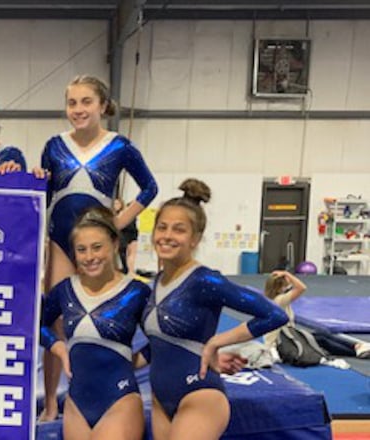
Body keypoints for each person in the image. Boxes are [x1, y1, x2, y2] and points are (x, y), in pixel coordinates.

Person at [37, 75, 157, 421]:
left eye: (86, 102)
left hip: (98, 242)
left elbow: (149, 187)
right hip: (61, 242)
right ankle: (49, 403)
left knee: (104, 316)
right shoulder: (54, 145)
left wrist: (118, 224)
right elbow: (42, 196)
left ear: (102, 105)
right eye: (72, 103)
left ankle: (107, 383)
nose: (78, 110)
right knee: (56, 320)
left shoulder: (119, 146)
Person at [142, 178, 288, 440]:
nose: (167, 236)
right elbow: (159, 346)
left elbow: (274, 314)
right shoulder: (154, 284)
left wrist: (215, 344)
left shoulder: (205, 280)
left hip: (199, 395)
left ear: (195, 238)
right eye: (162, 227)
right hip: (160, 398)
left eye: (179, 230)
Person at [41, 206, 147, 440]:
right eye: (82, 250)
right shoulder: (65, 290)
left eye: (97, 247)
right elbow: (39, 325)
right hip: (76, 406)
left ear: (114, 244)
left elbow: (164, 337)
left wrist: (135, 362)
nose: (90, 257)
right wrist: (57, 347)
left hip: (119, 401)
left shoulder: (136, 292)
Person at [264, 270, 370, 362]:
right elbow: (301, 288)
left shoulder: (272, 299)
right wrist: (287, 274)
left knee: (322, 334)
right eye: (285, 286)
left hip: (288, 335)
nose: (288, 287)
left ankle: (357, 346)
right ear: (278, 288)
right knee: (322, 341)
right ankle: (355, 351)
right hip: (283, 341)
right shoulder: (280, 300)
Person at [114, 197, 138, 274]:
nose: (116, 205)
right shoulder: (113, 215)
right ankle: (125, 270)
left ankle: (128, 271)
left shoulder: (125, 214)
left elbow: (132, 227)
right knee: (122, 255)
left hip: (128, 237)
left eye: (117, 203)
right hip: (120, 238)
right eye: (115, 204)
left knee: (129, 256)